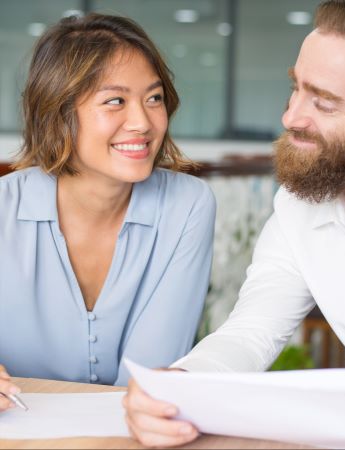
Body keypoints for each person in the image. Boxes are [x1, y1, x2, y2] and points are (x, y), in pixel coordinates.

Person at [122, 0, 345, 448]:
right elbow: (253, 330)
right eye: (296, 88)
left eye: (325, 103)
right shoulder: (300, 207)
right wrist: (181, 386)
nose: (291, 117)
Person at [0, 12, 215, 406]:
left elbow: (148, 377)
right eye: (115, 101)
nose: (143, 122)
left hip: (130, 432)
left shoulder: (188, 204)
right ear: (59, 113)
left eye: (154, 98)